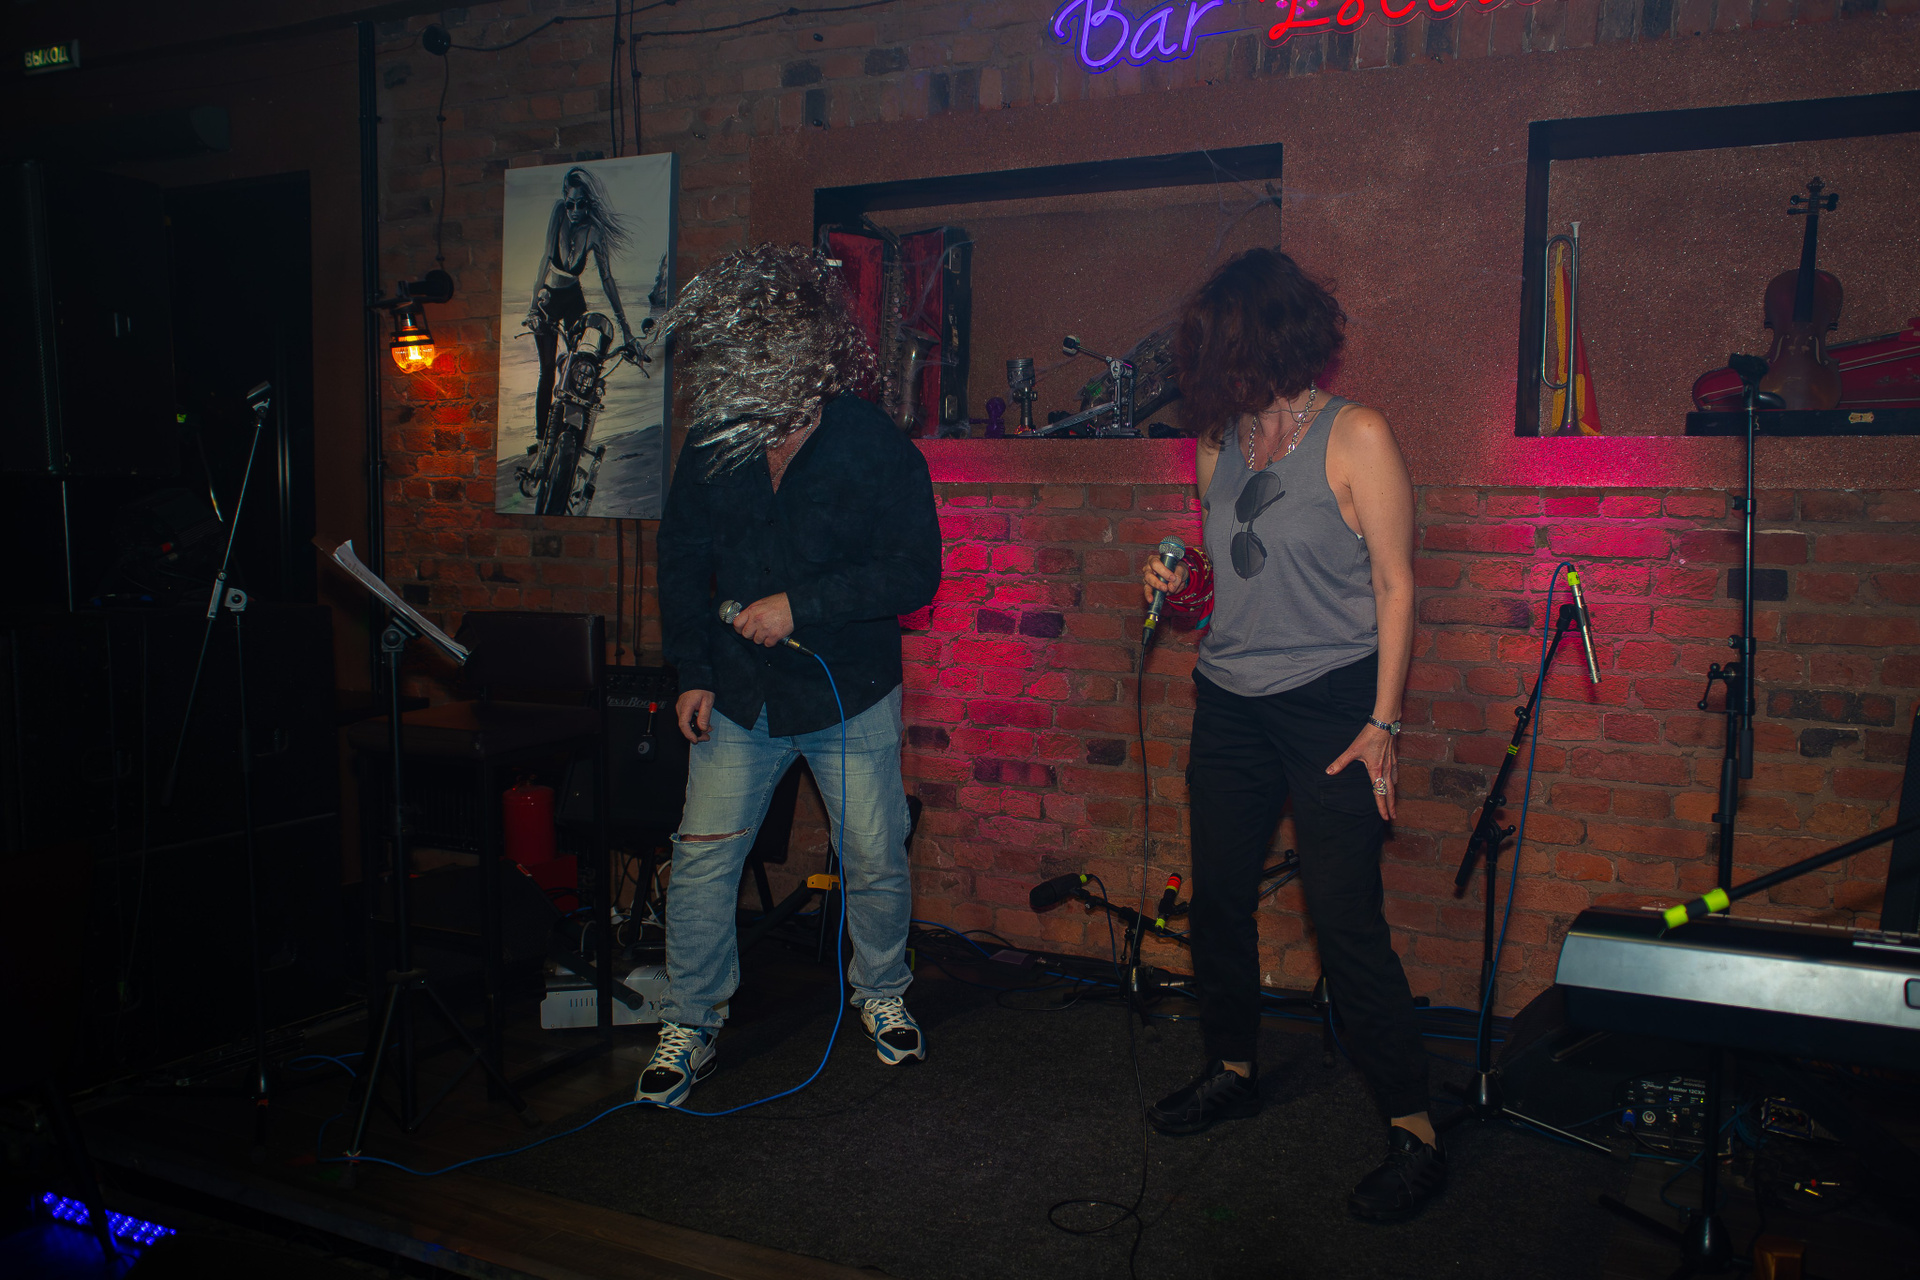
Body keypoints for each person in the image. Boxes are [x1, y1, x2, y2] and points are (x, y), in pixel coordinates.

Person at [1140, 248, 1439, 1222]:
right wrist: (1177, 587)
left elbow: (1396, 585)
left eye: (1219, 346)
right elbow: (1225, 588)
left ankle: (1415, 1127)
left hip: (1332, 702)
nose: (1206, 365)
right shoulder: (1216, 442)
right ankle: (1231, 1065)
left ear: (1267, 338)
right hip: (1229, 700)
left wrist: (1383, 723)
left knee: (1345, 921)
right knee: (1219, 902)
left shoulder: (1357, 435)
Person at [640, 244, 943, 1108]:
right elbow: (680, 558)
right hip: (739, 692)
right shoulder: (715, 440)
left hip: (848, 691)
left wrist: (798, 606)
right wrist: (691, 670)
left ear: (812, 351)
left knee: (873, 856)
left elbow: (915, 572)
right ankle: (690, 1020)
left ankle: (882, 993)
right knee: (702, 861)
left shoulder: (873, 443)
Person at [523, 166, 640, 440]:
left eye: (581, 205)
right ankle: (541, 440)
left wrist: (626, 328)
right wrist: (532, 308)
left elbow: (607, 279)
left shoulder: (594, 232)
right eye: (570, 204)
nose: (574, 211)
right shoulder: (558, 213)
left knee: (579, 368)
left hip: (574, 298)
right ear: (564, 200)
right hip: (549, 297)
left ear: (590, 204)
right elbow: (546, 259)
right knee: (546, 371)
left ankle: (570, 435)